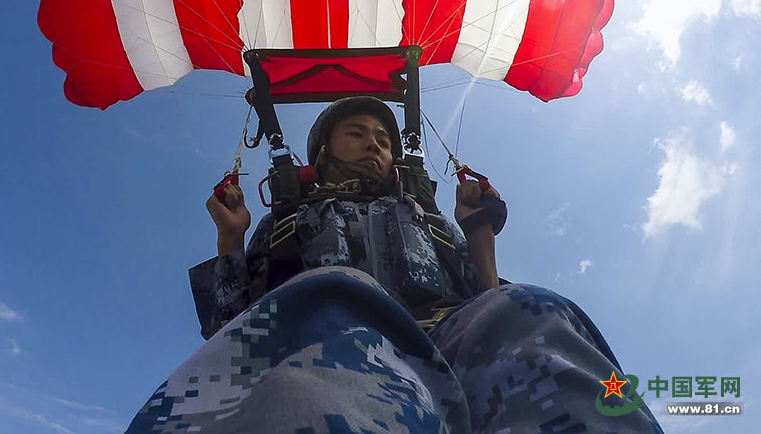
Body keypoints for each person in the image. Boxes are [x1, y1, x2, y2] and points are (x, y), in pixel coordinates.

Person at [125, 97, 663, 433]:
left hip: (441, 337)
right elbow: (230, 329)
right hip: (321, 341)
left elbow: (486, 300)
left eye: (382, 138)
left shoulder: (426, 220)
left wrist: (478, 231)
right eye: (356, 133)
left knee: (537, 311)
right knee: (338, 295)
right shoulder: (286, 224)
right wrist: (230, 240)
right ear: (324, 152)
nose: (374, 144)